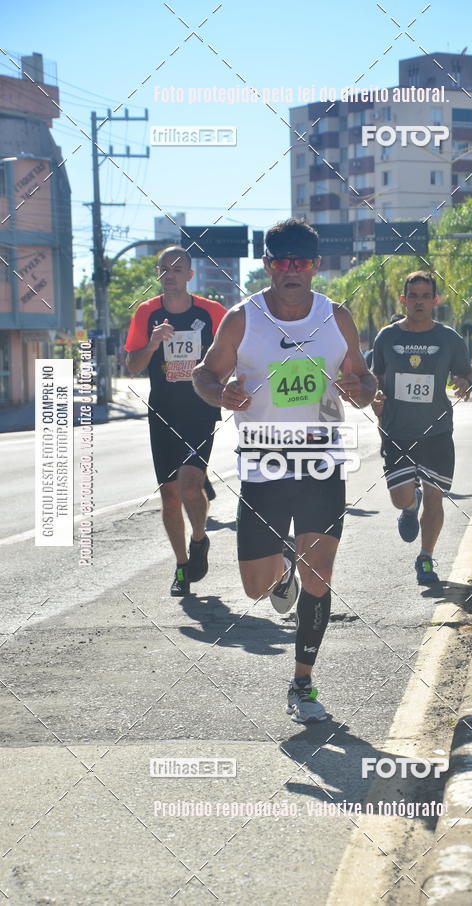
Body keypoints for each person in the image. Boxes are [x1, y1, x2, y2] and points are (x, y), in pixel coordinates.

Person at [192, 219, 376, 722]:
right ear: (268, 264)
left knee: (322, 575)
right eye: (281, 262)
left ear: (316, 266)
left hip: (320, 459)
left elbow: (361, 374)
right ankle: (282, 572)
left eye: (302, 263)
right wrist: (219, 393)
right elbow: (203, 374)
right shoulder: (241, 319)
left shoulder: (336, 318)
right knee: (255, 586)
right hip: (263, 462)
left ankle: (302, 683)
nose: (292, 271)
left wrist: (362, 388)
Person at [124, 246, 227, 596]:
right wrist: (152, 344)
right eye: (164, 268)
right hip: (162, 413)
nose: (170, 273)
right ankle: (183, 566)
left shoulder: (213, 313)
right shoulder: (146, 312)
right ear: (159, 274)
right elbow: (132, 367)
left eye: (177, 268)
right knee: (169, 497)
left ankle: (199, 538)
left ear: (189, 275)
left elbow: (236, 355)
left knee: (189, 485)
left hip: (200, 409)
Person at [372, 271, 472, 586]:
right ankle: (408, 506)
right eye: (413, 296)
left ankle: (425, 558)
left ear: (435, 300)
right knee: (400, 498)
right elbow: (376, 379)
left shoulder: (449, 338)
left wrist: (463, 383)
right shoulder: (387, 337)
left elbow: (466, 378)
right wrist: (375, 396)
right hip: (396, 431)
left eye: (425, 296)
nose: (419, 301)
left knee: (436, 498)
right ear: (403, 300)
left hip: (437, 432)